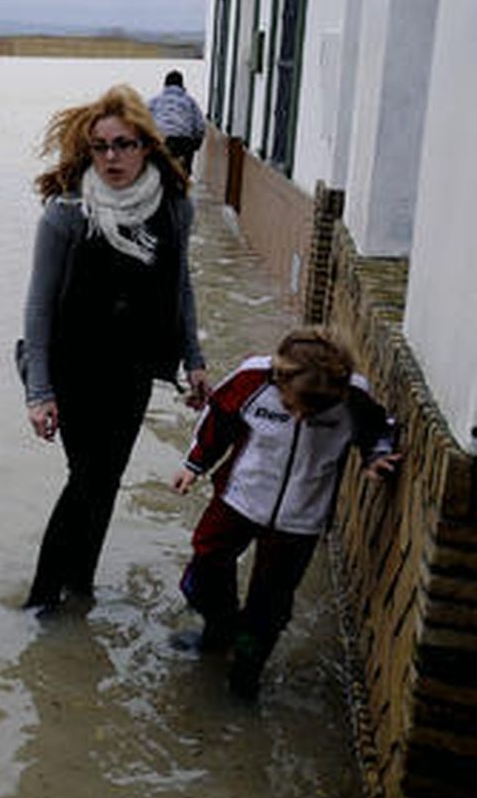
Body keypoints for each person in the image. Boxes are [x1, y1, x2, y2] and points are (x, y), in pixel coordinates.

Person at [20, 84, 211, 616]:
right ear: (88, 150)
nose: (111, 158)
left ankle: (79, 587)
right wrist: (39, 392)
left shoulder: (174, 209)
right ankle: (41, 603)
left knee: (105, 482)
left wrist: (193, 359)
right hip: (71, 367)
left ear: (147, 145)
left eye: (123, 144)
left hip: (131, 369)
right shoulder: (66, 214)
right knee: (87, 478)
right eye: (100, 147)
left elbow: (180, 287)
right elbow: (37, 309)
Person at [172, 327, 401, 698]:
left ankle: (246, 672)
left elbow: (379, 429)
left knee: (270, 604)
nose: (299, 418)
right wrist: (194, 465)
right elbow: (218, 419)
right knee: (206, 564)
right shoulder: (253, 379)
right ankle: (219, 627)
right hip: (239, 498)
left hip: (300, 518)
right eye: (292, 407)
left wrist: (376, 458)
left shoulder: (352, 397)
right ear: (280, 381)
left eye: (311, 413)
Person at [147, 70, 206, 176]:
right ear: (182, 85)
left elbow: (144, 118)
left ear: (165, 85)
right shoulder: (190, 101)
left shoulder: (155, 101)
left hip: (161, 139)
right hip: (183, 141)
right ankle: (185, 177)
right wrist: (197, 142)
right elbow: (200, 126)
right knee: (185, 169)